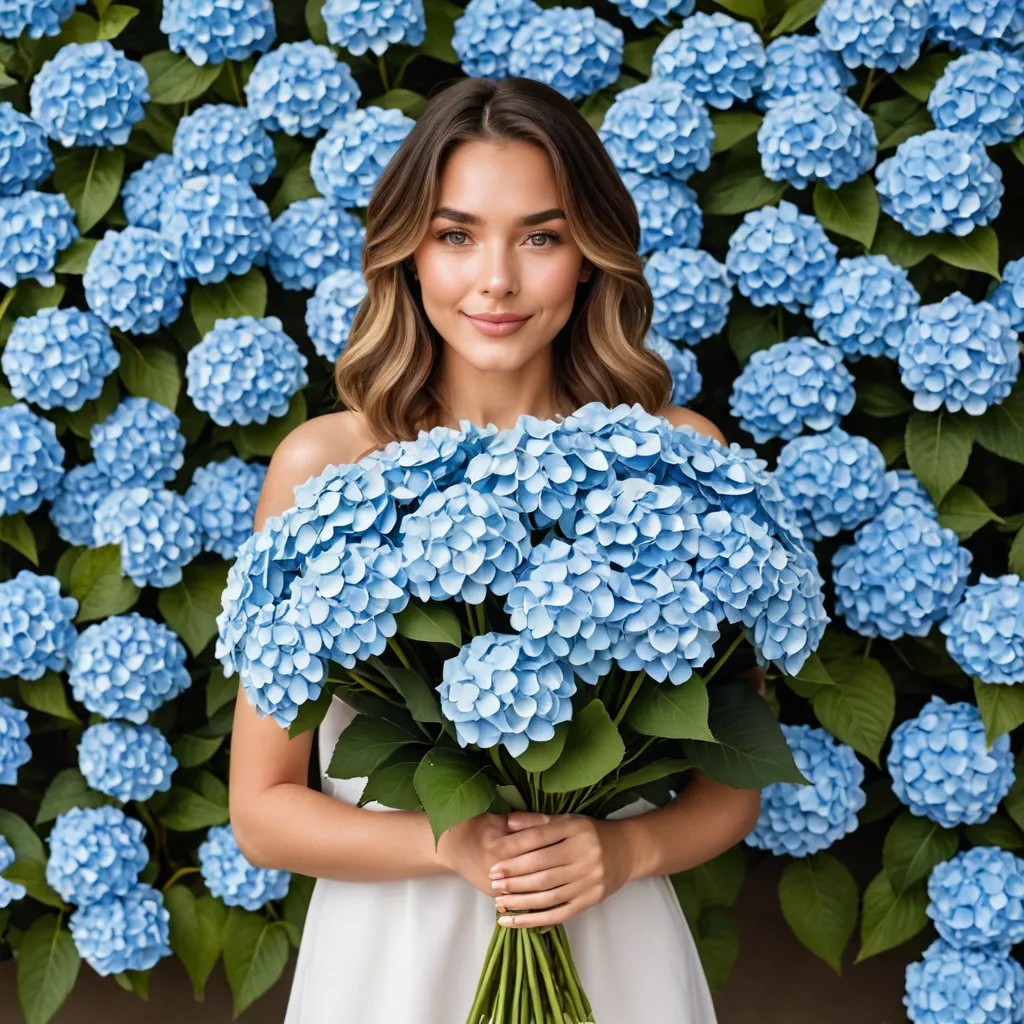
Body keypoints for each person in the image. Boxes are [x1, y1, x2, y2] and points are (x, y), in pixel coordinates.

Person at [228, 75, 762, 1023]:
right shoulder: (324, 463)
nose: (498, 280)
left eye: (541, 237)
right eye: (458, 234)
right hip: (389, 956)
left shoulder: (680, 459)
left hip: (611, 932)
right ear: (409, 253)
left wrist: (626, 851)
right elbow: (262, 812)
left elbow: (734, 785)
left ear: (591, 257)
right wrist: (449, 843)